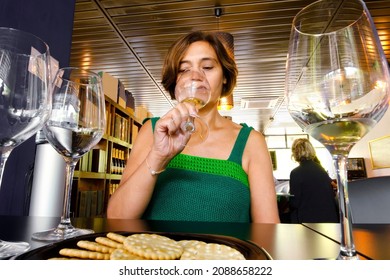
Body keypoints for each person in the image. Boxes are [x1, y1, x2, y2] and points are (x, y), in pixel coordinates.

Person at [107, 31, 280, 223]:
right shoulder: (152, 130)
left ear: (224, 76)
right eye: (183, 69)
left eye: (207, 67)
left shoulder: (251, 141)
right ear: (175, 81)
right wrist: (158, 157)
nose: (195, 76)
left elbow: (268, 230)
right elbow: (116, 217)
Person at [288, 138, 339, 223]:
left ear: (295, 153)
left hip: (309, 221)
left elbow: (295, 202)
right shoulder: (320, 169)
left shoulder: (295, 173)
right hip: (329, 218)